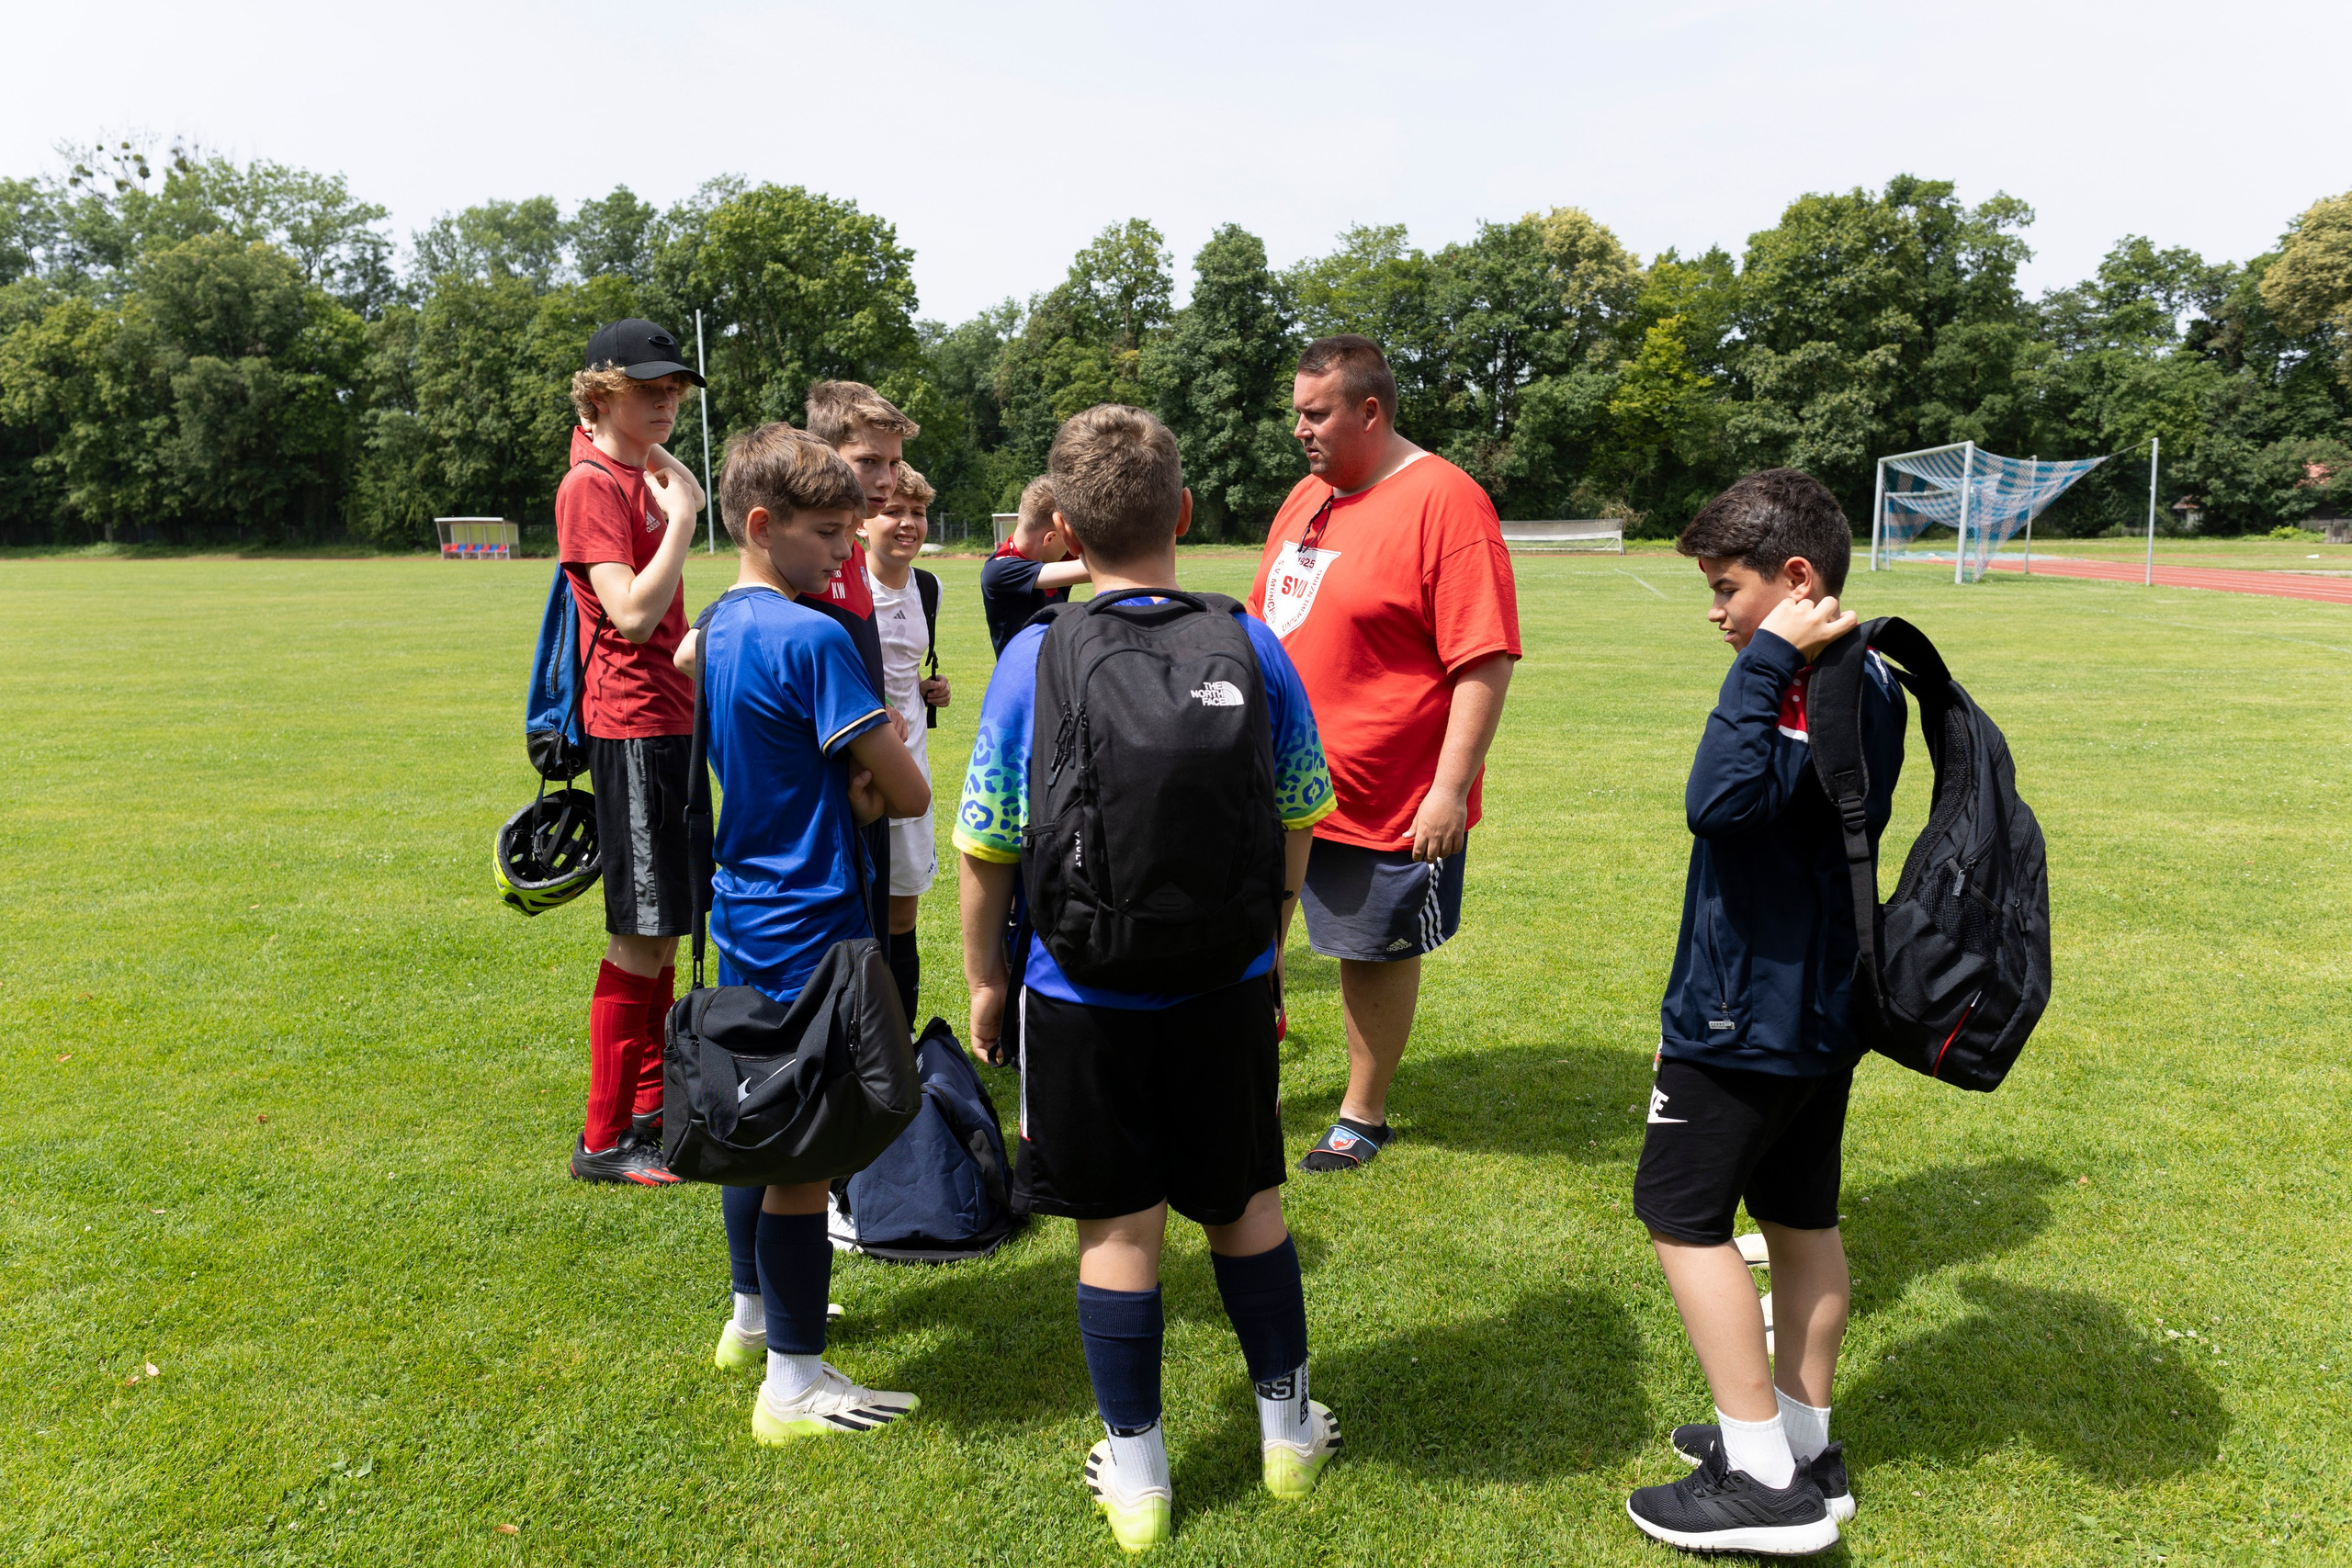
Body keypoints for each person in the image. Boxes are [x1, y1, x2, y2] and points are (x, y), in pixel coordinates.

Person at [955, 405, 1342, 1553]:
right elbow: (1301, 811)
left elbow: (988, 845)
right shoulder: (1254, 644)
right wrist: (1265, 934)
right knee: (1247, 1209)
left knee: (1116, 1234)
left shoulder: (1034, 655)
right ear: (1182, 512)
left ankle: (1138, 1478)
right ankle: (1285, 1435)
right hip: (1225, 985)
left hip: (1077, 991)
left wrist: (987, 981)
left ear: (1061, 530)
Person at [1623, 468, 1902, 1556]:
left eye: (1726, 587)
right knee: (1800, 1218)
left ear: (1794, 580)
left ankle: (1758, 1478)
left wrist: (1768, 659)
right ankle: (1801, 1445)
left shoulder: (1800, 676)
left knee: (1681, 1217)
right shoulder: (1867, 671)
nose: (1714, 611)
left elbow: (1719, 803)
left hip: (1748, 1011)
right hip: (1817, 1005)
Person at [692, 422, 933, 1444]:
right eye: (830, 530)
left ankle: (750, 1319)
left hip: (742, 906)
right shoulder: (814, 638)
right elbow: (911, 786)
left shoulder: (711, 626)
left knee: (753, 1125)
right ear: (761, 523)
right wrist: (866, 800)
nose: (847, 548)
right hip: (816, 917)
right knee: (799, 1158)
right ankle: (792, 1380)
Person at [1245, 334, 1520, 1174]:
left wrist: (1448, 789)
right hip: (1283, 785)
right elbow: (1264, 621)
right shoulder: (1305, 497)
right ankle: (1247, 1072)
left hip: (1389, 795)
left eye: (1315, 412)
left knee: (1370, 950)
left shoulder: (1447, 501)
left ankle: (1363, 1111)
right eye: (1296, 412)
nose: (1300, 428)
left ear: (1371, 410)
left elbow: (1483, 657)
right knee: (1253, 933)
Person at [680, 380, 920, 942]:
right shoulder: (802, 577)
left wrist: (869, 706)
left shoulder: (845, 552)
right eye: (868, 462)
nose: (885, 479)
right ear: (822, 454)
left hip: (797, 852)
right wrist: (840, 721)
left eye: (894, 463)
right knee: (837, 1005)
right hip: (819, 859)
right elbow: (693, 650)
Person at [556, 317, 710, 1186]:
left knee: (665, 924)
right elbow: (633, 614)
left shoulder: (635, 471)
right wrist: (685, 515)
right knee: (639, 934)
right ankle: (606, 1138)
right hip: (633, 724)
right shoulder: (593, 483)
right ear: (601, 389)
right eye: (648, 386)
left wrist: (673, 489)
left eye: (674, 387)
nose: (666, 399)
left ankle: (649, 1108)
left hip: (672, 720)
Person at [862, 460, 953, 1020]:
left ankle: (901, 1043)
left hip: (911, 762)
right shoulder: (843, 584)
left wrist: (922, 688)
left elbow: (898, 668)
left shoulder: (928, 586)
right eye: (893, 510)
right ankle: (859, 1042)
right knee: (859, 911)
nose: (907, 523)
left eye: (916, 512)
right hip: (861, 765)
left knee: (901, 915)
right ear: (863, 522)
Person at [979, 474, 1091, 656]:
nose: (1072, 545)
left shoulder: (1053, 554)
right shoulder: (999, 570)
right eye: (1069, 536)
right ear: (1050, 538)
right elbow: (1099, 567)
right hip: (1025, 679)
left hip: (1057, 672)